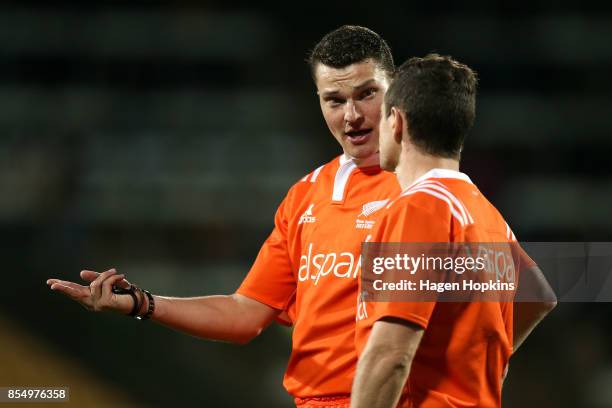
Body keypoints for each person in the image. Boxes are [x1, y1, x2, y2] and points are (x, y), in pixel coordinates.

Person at [46, 25, 401, 407]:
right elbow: (246, 312)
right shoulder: (306, 195)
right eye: (334, 100)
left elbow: (420, 345)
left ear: (396, 91)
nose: (352, 115)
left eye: (366, 95)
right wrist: (140, 303)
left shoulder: (430, 192)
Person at [350, 54, 556, 408]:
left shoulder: (419, 208)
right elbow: (538, 296)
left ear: (396, 123)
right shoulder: (486, 213)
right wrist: (480, 365)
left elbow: (391, 354)